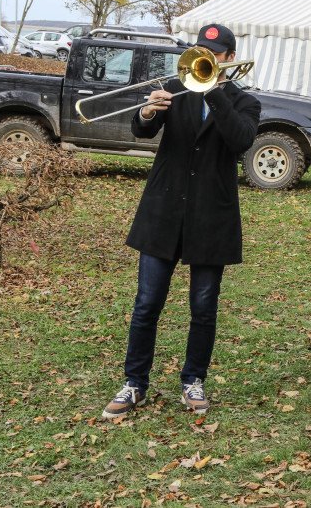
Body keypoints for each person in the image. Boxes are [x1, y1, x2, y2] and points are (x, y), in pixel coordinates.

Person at [102, 24, 261, 419]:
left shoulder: (243, 102)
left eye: (213, 52)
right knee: (146, 304)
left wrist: (216, 93)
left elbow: (240, 141)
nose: (204, 56)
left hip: (211, 216)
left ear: (227, 58)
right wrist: (146, 110)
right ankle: (135, 383)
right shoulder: (175, 87)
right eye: (200, 49)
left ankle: (193, 380)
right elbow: (141, 130)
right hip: (164, 212)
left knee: (204, 307)